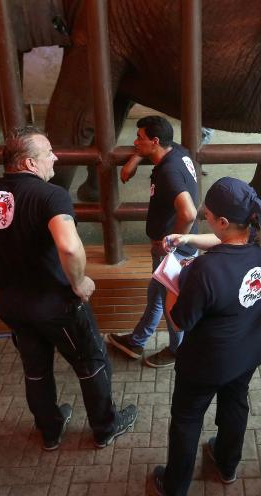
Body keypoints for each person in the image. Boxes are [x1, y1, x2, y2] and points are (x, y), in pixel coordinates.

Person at [0, 127, 137, 449]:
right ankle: (105, 427)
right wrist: (79, 281)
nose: (55, 157)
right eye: (48, 153)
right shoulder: (51, 195)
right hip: (56, 304)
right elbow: (69, 248)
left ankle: (51, 430)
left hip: (11, 304)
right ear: (29, 163)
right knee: (90, 362)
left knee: (36, 368)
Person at [147, 177, 261, 496]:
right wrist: (186, 238)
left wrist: (170, 282)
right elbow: (227, 242)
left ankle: (176, 484)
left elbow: (179, 322)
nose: (202, 215)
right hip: (249, 350)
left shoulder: (203, 272)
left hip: (207, 362)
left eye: (207, 214)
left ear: (221, 221)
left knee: (187, 419)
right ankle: (227, 464)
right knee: (235, 404)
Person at [108, 115, 198, 369]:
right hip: (176, 248)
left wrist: (172, 245)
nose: (135, 142)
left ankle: (177, 350)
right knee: (157, 294)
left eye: (140, 138)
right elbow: (157, 148)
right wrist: (135, 159)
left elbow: (188, 213)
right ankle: (137, 340)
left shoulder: (169, 172)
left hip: (174, 252)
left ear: (155, 141)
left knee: (170, 301)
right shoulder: (177, 151)